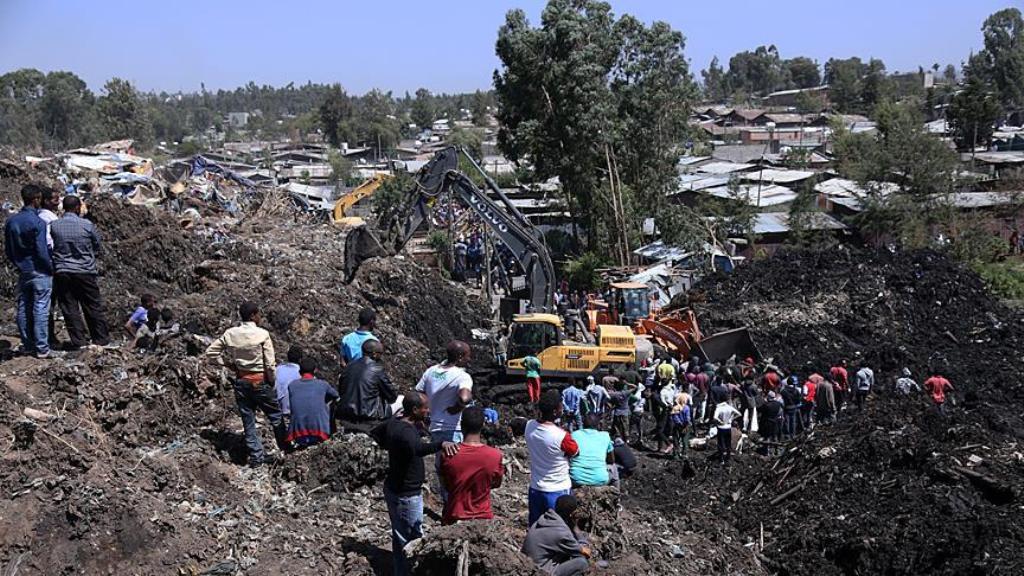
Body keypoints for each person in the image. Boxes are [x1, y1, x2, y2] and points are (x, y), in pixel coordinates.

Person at [375, 392, 459, 576]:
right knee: (412, 539)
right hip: (406, 494)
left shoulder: (395, 423)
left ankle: (400, 570)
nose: (428, 410)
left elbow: (376, 432)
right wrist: (441, 444)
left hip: (394, 487)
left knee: (399, 535)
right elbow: (418, 449)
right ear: (414, 410)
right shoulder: (406, 432)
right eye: (425, 408)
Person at [205, 302, 286, 467]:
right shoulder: (262, 334)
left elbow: (211, 352)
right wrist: (271, 381)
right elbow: (270, 364)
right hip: (259, 380)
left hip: (242, 381)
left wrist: (228, 364)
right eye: (258, 314)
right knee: (276, 417)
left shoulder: (231, 334)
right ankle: (286, 449)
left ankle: (256, 457)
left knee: (248, 420)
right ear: (253, 316)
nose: (260, 317)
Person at [49, 195, 111, 350]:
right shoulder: (87, 225)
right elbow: (97, 244)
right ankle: (101, 339)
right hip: (85, 271)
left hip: (62, 271)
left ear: (64, 207)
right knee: (92, 305)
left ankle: (79, 342)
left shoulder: (55, 225)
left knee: (70, 307)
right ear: (77, 208)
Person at [415, 340, 473, 503]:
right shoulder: (462, 376)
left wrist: (426, 412)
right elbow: (465, 397)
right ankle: (455, 507)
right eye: (468, 356)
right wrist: (458, 407)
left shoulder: (431, 371)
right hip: (452, 430)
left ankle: (448, 505)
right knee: (455, 471)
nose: (469, 359)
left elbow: (419, 392)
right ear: (460, 357)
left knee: (441, 469)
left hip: (434, 427)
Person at [5, 184, 56, 358]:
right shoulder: (38, 222)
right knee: (41, 308)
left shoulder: (11, 221)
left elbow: (9, 250)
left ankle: (27, 345)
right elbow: (41, 250)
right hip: (39, 271)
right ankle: (42, 348)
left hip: (23, 270)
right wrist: (49, 268)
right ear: (36, 199)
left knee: (23, 307)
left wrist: (18, 264)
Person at [440, 406, 503, 525]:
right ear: (482, 425)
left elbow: (446, 485)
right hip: (483, 518)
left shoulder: (449, 454)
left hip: (455, 516)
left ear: (462, 425)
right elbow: (496, 483)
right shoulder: (495, 455)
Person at [526, 390, 580, 526]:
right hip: (558, 489)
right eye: (561, 405)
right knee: (559, 528)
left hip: (536, 488)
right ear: (555, 412)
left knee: (535, 527)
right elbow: (575, 452)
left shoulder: (529, 426)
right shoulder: (562, 436)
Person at [522, 494, 591, 576]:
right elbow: (586, 553)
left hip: (529, 565)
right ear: (571, 514)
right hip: (541, 572)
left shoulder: (544, 518)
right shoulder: (562, 532)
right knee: (582, 562)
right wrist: (575, 528)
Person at [339, 339, 399, 428]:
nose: (381, 357)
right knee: (402, 400)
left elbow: (341, 391)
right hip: (370, 416)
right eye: (380, 353)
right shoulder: (376, 369)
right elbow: (392, 397)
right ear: (374, 354)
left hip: (347, 415)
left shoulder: (348, 367)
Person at [285, 357, 339, 449]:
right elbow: (336, 396)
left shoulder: (292, 385)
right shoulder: (322, 384)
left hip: (298, 433)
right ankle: (331, 431)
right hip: (320, 432)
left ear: (299, 371)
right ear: (315, 370)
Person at [38, 188, 60, 350]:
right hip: (49, 265)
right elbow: (49, 243)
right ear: (45, 201)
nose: (57, 202)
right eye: (54, 199)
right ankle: (47, 338)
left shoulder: (38, 215)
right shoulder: (50, 218)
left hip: (36, 265)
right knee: (47, 304)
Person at [569, 413, 613, 487]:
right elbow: (611, 460)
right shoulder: (605, 436)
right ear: (598, 424)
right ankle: (617, 492)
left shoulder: (574, 435)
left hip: (576, 478)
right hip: (600, 479)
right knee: (613, 467)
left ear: (583, 423)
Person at [275, 346, 303, 417]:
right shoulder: (302, 372)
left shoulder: (278, 369)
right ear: (300, 359)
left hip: (278, 410)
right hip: (296, 412)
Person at [713, 400, 741, 464]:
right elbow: (739, 414)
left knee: (721, 444)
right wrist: (731, 419)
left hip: (721, 428)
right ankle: (728, 458)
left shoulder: (719, 408)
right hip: (728, 427)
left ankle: (721, 459)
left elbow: (715, 417)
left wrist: (720, 421)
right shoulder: (729, 407)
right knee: (728, 443)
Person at [670, 392, 692, 460]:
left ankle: (675, 455)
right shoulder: (686, 408)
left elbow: (674, 418)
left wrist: (679, 423)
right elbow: (687, 418)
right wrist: (686, 425)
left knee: (676, 440)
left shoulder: (675, 408)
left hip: (677, 426)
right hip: (685, 426)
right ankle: (684, 454)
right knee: (685, 441)